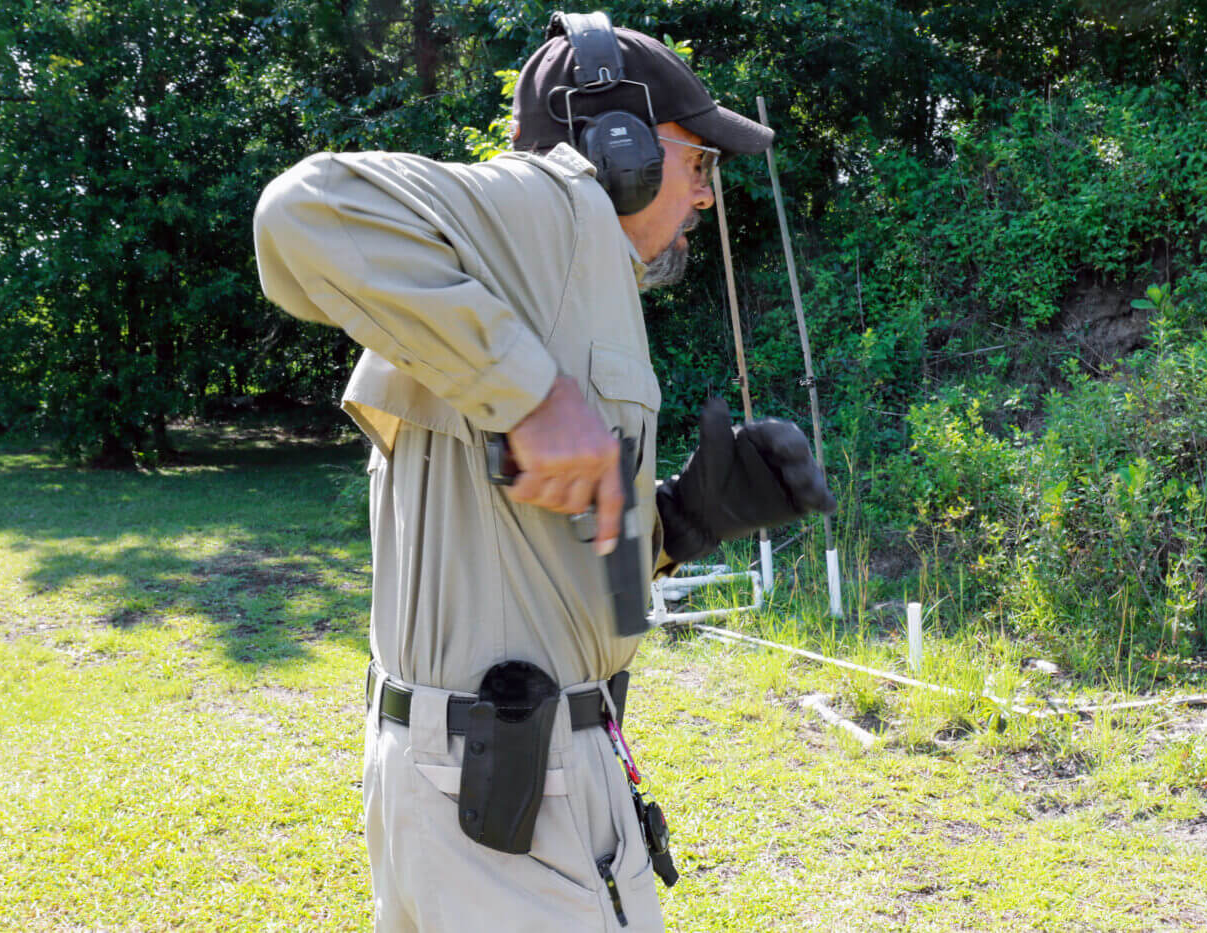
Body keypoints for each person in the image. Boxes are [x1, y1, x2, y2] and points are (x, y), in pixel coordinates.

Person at [252, 12, 834, 932]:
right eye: (698, 163)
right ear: (621, 149)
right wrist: (527, 393)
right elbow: (299, 213)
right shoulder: (551, 206)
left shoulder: (572, 265)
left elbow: (551, 564)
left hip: (490, 774)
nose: (706, 196)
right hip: (507, 786)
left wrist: (679, 526)